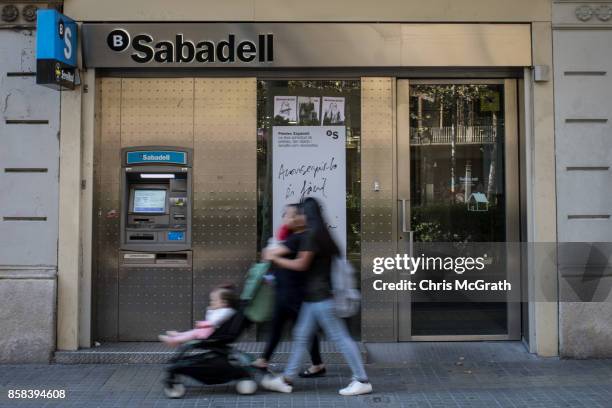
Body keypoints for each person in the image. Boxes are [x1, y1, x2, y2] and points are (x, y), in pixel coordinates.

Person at [261, 197, 372, 396]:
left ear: (308, 214)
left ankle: (362, 379)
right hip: (314, 298)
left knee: (340, 338)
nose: (298, 216)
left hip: (320, 298)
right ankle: (287, 379)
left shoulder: (312, 235)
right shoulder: (321, 233)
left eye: (301, 212)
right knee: (302, 336)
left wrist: (276, 258)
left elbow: (301, 264)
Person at [252, 204, 326, 377]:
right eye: (285, 215)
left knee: (300, 330)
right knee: (283, 328)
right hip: (288, 291)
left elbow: (268, 254)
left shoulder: (297, 238)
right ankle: (315, 363)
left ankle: (311, 366)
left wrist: (273, 254)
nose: (286, 218)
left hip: (291, 293)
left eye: (289, 215)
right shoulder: (294, 236)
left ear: (299, 218)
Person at [159, 285, 237, 346]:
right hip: (211, 331)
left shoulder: (227, 311)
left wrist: (207, 319)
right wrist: (210, 310)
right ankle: (179, 335)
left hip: (213, 333)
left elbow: (214, 321)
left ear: (224, 302)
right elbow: (210, 319)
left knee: (193, 333)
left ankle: (174, 340)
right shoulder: (221, 310)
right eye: (211, 300)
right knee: (193, 332)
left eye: (214, 300)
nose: (211, 302)